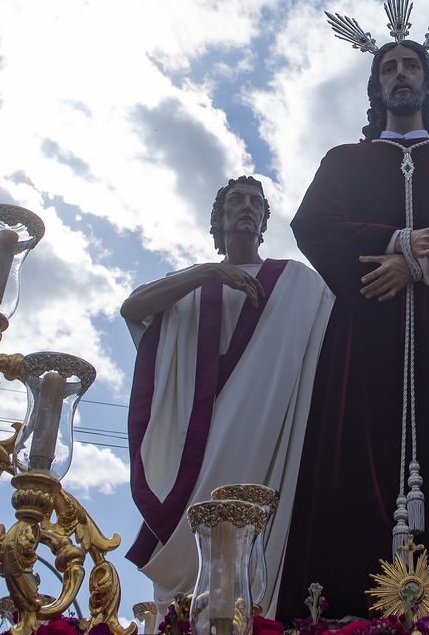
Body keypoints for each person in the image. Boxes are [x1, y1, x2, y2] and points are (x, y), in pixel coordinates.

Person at [276, 18, 429, 619]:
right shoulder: (345, 160)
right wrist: (398, 239)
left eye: (411, 66)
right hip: (365, 337)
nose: (401, 74)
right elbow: (313, 225)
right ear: (375, 87)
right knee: (353, 468)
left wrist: (419, 267)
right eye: (389, 67)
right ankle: (338, 617)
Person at [122, 175, 334, 605]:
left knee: (261, 573)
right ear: (218, 220)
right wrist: (207, 274)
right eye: (236, 201)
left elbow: (335, 351)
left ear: (264, 220)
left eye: (256, 202)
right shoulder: (189, 286)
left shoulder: (299, 284)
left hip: (270, 447)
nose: (247, 207)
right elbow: (133, 308)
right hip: (196, 454)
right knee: (190, 592)